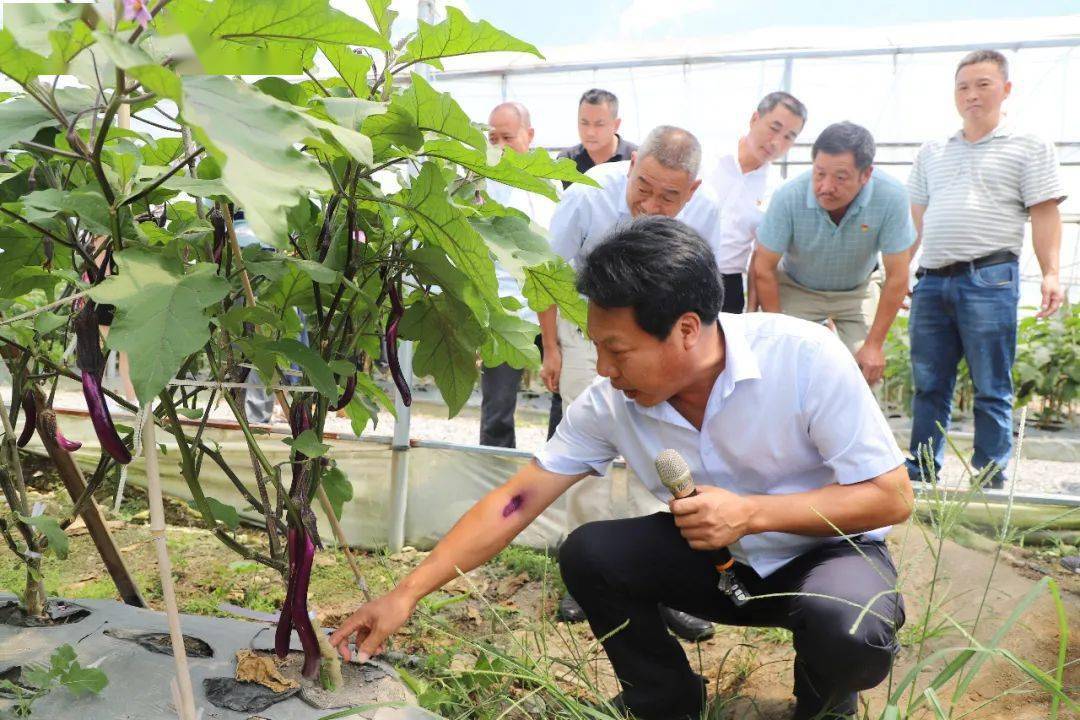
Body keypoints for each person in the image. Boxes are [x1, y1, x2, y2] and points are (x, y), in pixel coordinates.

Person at [330, 216, 912, 720]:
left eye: (619, 350)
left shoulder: (804, 357)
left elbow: (891, 498)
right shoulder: (611, 402)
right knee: (590, 554)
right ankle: (664, 700)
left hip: (823, 554)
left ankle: (820, 702)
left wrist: (751, 514)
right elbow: (519, 499)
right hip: (714, 563)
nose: (604, 368)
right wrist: (405, 594)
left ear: (686, 329)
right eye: (596, 347)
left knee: (849, 628)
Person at [541, 125, 723, 639]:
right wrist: (551, 346)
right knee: (586, 447)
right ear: (633, 161)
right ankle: (581, 575)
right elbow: (547, 272)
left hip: (660, 342)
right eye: (643, 185)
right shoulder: (588, 193)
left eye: (670, 195)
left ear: (692, 188)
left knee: (665, 446)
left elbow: (701, 295)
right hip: (585, 331)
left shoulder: (706, 211)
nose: (652, 202)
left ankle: (666, 581)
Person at [906, 50, 1065, 489]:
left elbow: (1045, 212)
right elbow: (914, 219)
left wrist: (1051, 272)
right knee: (929, 384)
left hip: (990, 278)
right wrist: (903, 270)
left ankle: (991, 475)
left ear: (1006, 90)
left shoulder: (1028, 145)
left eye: (983, 84)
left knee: (992, 385)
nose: (971, 94)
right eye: (963, 86)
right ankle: (921, 469)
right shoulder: (932, 151)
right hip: (932, 279)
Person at [753, 122, 916, 385]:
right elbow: (764, 266)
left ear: (866, 174)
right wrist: (778, 330)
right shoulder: (789, 196)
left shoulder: (891, 196)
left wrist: (874, 346)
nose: (826, 187)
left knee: (863, 373)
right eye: (819, 174)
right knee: (787, 369)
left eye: (840, 177)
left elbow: (898, 275)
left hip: (857, 291)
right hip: (798, 287)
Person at [480, 101, 558, 447]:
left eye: (507, 137)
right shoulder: (482, 182)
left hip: (550, 309)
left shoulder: (550, 182)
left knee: (564, 397)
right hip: (504, 314)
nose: (499, 145)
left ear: (530, 134)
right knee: (497, 408)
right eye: (492, 137)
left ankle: (558, 474)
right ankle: (495, 477)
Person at [705, 91, 807, 313]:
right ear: (754, 119)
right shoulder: (706, 158)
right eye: (774, 128)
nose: (777, 142)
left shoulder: (776, 190)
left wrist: (751, 310)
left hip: (726, 285)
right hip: (676, 269)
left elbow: (760, 256)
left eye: (789, 136)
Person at [557, 88, 637, 187]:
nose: (590, 132)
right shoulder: (567, 160)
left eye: (599, 124)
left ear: (616, 125)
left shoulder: (635, 158)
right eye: (584, 123)